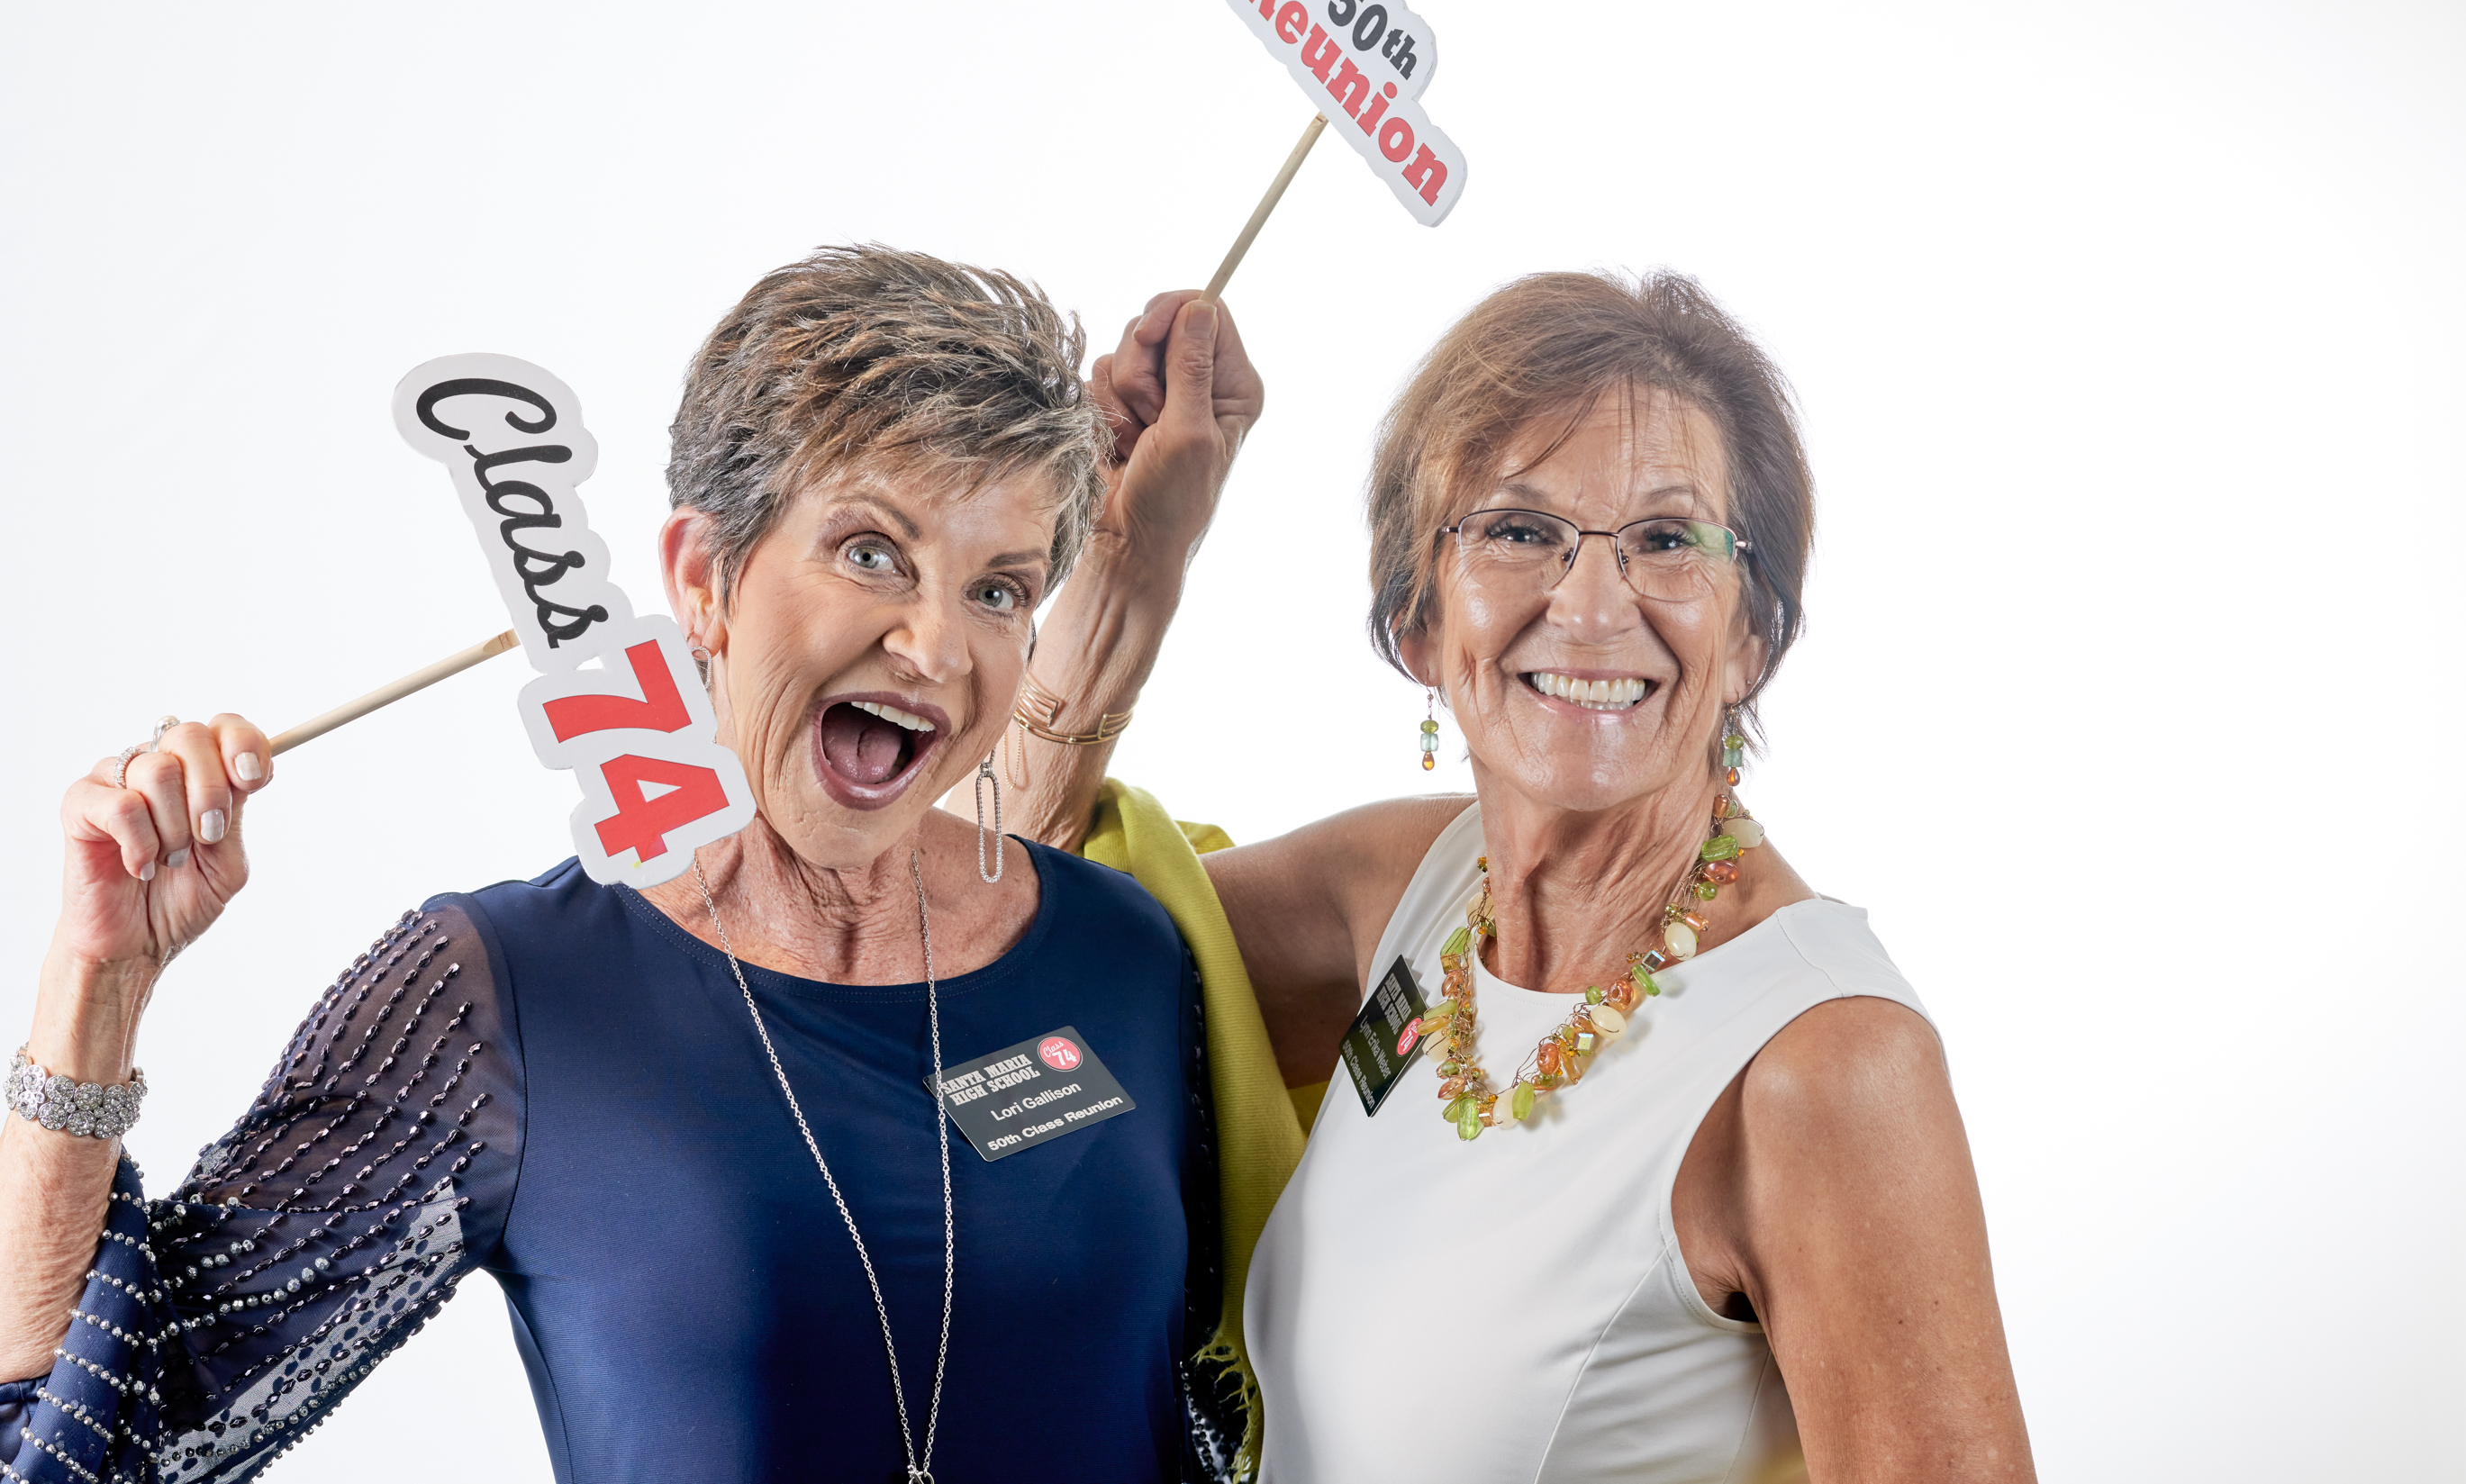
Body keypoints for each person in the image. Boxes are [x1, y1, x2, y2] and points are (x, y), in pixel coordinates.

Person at [0, 247, 1273, 1483]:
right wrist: (95, 982)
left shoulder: (1122, 950)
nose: (938, 648)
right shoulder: (507, 997)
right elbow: (85, 1451)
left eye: (998, 590)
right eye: (872, 552)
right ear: (704, 578)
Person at [1187, 271, 2039, 1480]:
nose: (1591, 608)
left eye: (1666, 539)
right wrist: (1124, 553)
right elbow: (1013, 948)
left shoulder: (1828, 1065)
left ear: (1750, 637)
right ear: (1418, 622)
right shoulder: (1406, 889)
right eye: (1518, 529)